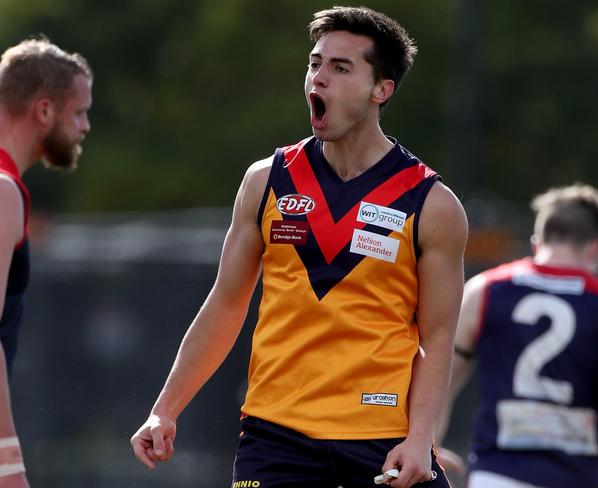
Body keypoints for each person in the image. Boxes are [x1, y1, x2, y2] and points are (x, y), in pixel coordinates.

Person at [131, 6, 467, 488]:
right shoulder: (265, 181)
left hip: (381, 440)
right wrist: (164, 411)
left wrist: (421, 438)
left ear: (382, 89)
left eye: (340, 67)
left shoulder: (432, 205)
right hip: (275, 438)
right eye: (315, 63)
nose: (319, 78)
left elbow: (436, 338)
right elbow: (226, 304)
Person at [435, 184, 598, 488]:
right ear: (595, 249)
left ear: (537, 243)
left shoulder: (484, 290)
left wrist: (427, 443)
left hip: (496, 476)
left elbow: (440, 377)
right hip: (579, 478)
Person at [0, 38, 92, 486]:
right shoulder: (3, 192)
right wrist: (7, 462)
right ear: (43, 111)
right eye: (78, 112)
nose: (85, 126)